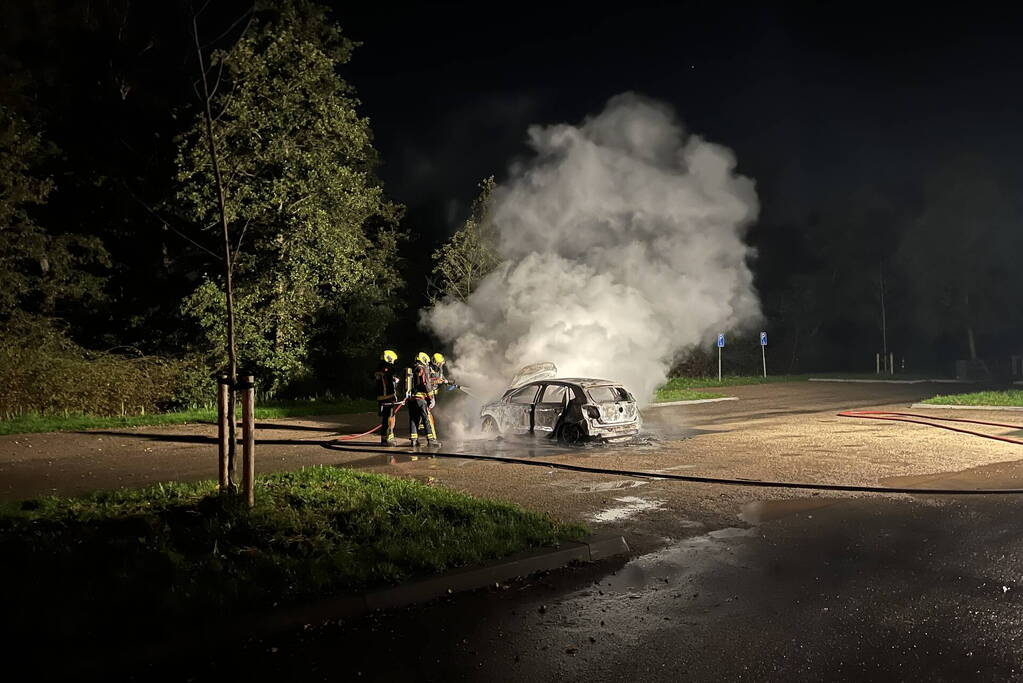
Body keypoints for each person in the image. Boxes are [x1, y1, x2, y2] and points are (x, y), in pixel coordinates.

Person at [406, 351, 439, 446]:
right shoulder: (423, 369)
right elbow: (426, 383)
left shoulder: (411, 369)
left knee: (413, 419)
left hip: (411, 398)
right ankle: (431, 440)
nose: (427, 363)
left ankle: (414, 440)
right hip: (421, 398)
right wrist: (431, 397)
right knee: (426, 418)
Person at [374, 350, 401, 445]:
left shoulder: (379, 368)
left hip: (381, 397)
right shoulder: (388, 369)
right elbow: (390, 382)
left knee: (385, 419)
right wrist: (395, 380)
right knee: (390, 418)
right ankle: (389, 438)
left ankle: (384, 439)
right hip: (388, 397)